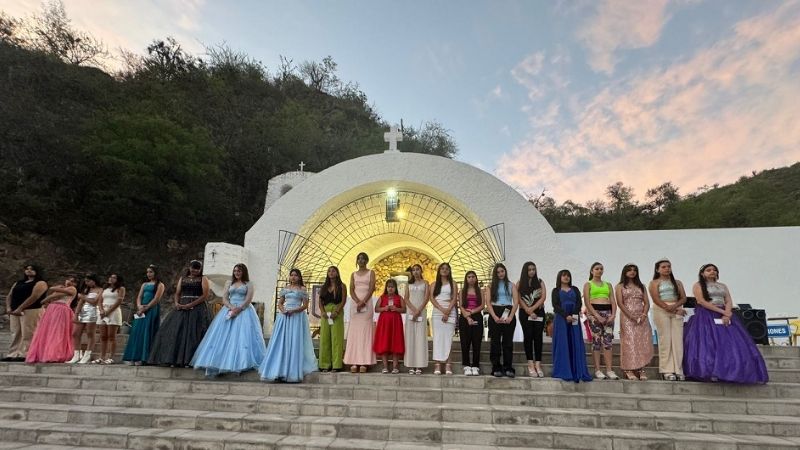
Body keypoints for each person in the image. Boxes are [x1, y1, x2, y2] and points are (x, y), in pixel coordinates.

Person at [683, 264, 768, 384]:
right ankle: (709, 371)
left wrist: (727, 314)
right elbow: (701, 301)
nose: (712, 272)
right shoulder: (698, 285)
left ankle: (733, 371)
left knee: (731, 342)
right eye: (708, 270)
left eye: (714, 270)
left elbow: (728, 300)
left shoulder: (722, 286)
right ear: (702, 273)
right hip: (706, 314)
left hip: (725, 314)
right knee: (709, 341)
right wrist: (722, 312)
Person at [192, 263, 266, 377]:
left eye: (239, 271)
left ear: (244, 272)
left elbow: (248, 299)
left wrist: (239, 309)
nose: (237, 273)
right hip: (229, 309)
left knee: (242, 337)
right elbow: (225, 298)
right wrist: (231, 307)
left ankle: (241, 363)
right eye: (235, 271)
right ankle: (218, 362)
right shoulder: (228, 283)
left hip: (244, 311)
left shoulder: (249, 284)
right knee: (221, 337)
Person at [148, 260, 211, 367]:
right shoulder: (183, 278)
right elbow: (177, 293)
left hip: (197, 308)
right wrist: (177, 303)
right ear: (189, 267)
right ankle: (175, 359)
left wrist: (191, 305)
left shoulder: (203, 278)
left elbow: (205, 295)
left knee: (194, 333)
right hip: (182, 305)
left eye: (197, 269)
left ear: (200, 269)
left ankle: (191, 359)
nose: (195, 270)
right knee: (176, 331)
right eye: (193, 268)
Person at [260, 268, 317, 382]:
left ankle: (291, 372)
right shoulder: (285, 288)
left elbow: (305, 305)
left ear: (299, 277)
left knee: (294, 341)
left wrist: (294, 310)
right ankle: (278, 371)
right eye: (291, 275)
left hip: (296, 317)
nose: (293, 277)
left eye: (295, 275)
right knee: (281, 342)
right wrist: (283, 310)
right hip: (284, 316)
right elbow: (280, 303)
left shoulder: (302, 289)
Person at [648, 259, 687, 381]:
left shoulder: (677, 282)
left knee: (677, 341)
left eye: (669, 266)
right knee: (665, 340)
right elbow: (656, 299)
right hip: (661, 310)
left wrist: (675, 307)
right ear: (657, 269)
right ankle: (667, 370)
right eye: (664, 267)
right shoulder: (654, 282)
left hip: (677, 309)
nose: (667, 269)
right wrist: (669, 308)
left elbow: (683, 298)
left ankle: (678, 369)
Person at [551, 269, 592, 382]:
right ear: (559, 277)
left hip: (574, 318)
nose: (566, 277)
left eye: (568, 275)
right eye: (564, 275)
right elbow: (555, 305)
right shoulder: (555, 290)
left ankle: (577, 369)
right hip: (561, 318)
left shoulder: (575, 289)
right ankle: (564, 370)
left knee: (575, 341)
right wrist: (566, 316)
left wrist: (573, 314)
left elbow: (579, 303)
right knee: (563, 343)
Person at [615, 264, 654, 381]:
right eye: (629, 270)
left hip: (641, 317)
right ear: (624, 272)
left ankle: (641, 369)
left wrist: (644, 315)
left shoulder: (641, 286)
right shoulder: (620, 286)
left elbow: (646, 302)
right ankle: (628, 369)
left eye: (634, 270)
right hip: (627, 317)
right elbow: (620, 303)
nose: (632, 272)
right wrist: (631, 316)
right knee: (629, 342)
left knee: (641, 342)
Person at [26, 276, 77, 363]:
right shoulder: (62, 288)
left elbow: (54, 292)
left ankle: (55, 353)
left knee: (57, 331)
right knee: (47, 331)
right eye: (68, 280)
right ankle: (44, 353)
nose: (69, 282)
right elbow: (53, 294)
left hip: (61, 310)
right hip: (52, 309)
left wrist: (49, 297)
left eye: (72, 281)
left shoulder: (72, 289)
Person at [3, 264, 48, 362]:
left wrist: (21, 308)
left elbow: (34, 296)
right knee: (15, 332)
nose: (29, 270)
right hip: (15, 311)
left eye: (32, 269)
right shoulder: (18, 282)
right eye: (27, 269)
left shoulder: (40, 283)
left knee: (28, 332)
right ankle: (13, 353)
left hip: (31, 310)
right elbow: (9, 296)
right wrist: (9, 307)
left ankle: (25, 353)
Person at [122, 265, 164, 366]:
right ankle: (134, 356)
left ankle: (144, 358)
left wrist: (146, 308)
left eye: (151, 272)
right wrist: (139, 306)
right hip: (141, 310)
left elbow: (156, 299)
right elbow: (139, 297)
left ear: (156, 273)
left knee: (147, 331)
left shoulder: (160, 285)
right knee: (136, 331)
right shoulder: (144, 284)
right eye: (147, 272)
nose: (148, 274)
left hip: (151, 310)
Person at [583, 262, 619, 380]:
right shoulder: (588, 284)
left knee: (608, 342)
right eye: (597, 269)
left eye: (601, 269)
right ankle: (597, 370)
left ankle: (609, 370)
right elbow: (587, 302)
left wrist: (613, 315)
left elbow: (613, 301)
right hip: (594, 313)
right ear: (592, 271)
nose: (599, 271)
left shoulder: (608, 284)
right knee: (597, 341)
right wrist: (596, 316)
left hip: (608, 313)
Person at [343, 252, 376, 373]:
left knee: (365, 333)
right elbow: (351, 289)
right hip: (355, 304)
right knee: (355, 333)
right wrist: (357, 301)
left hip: (367, 303)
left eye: (363, 259)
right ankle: (354, 361)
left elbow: (372, 288)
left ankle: (364, 362)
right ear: (356, 261)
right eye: (359, 259)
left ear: (366, 261)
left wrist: (364, 301)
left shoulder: (371, 273)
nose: (361, 260)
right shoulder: (353, 274)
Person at [486, 263, 519, 378]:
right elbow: (488, 303)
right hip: (495, 312)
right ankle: (496, 367)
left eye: (502, 271)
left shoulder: (511, 285)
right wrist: (494, 317)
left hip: (508, 311)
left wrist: (510, 316)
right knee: (495, 342)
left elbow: (516, 302)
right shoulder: (490, 286)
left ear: (505, 271)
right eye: (498, 272)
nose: (500, 274)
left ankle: (508, 367)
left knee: (508, 342)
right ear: (495, 274)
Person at [517, 262, 547, 378]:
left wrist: (532, 309)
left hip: (539, 312)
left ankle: (538, 364)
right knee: (528, 337)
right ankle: (530, 364)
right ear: (525, 271)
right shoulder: (520, 283)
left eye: (533, 269)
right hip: (525, 313)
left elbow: (543, 297)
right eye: (529, 270)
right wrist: (527, 310)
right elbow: (518, 297)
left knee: (538, 337)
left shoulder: (540, 281)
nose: (532, 272)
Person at [430, 262, 458, 375]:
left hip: (450, 311)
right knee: (437, 338)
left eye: (447, 268)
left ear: (449, 271)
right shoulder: (434, 284)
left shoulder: (453, 283)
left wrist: (448, 310)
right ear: (439, 271)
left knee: (448, 339)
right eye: (442, 268)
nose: (444, 270)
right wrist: (442, 310)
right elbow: (432, 299)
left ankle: (448, 364)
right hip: (437, 312)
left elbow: (454, 298)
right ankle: (437, 364)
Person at [68, 273, 103, 364]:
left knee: (90, 334)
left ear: (94, 280)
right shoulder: (86, 289)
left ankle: (87, 355)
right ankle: (77, 354)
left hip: (92, 312)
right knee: (75, 333)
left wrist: (83, 297)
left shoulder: (100, 290)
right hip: (82, 311)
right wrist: (76, 314)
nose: (87, 283)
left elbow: (94, 302)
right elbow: (81, 302)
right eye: (86, 281)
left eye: (88, 281)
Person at [317, 266, 346, 373]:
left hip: (336, 311)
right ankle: (325, 364)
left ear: (337, 273)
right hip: (326, 313)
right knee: (325, 338)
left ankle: (336, 365)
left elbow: (343, 300)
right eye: (329, 271)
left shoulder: (342, 286)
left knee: (336, 338)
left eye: (333, 271)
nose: (331, 272)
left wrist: (337, 312)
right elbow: (320, 302)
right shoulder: (324, 287)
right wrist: (323, 312)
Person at [373, 279, 406, 374]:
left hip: (396, 323)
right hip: (384, 323)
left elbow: (404, 310)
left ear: (395, 288)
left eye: (392, 287)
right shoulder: (382, 297)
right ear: (386, 288)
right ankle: (385, 366)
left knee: (395, 342)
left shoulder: (399, 298)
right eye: (389, 287)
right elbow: (376, 309)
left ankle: (395, 366)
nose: (390, 288)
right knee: (384, 342)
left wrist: (396, 309)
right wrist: (384, 308)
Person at [94, 273, 125, 364]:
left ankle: (111, 357)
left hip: (113, 312)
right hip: (103, 312)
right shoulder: (104, 288)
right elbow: (100, 301)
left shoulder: (121, 289)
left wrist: (108, 312)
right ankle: (102, 357)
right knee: (103, 336)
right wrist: (101, 310)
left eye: (114, 277)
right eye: (111, 277)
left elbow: (119, 301)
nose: (111, 279)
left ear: (118, 280)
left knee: (111, 336)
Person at [404, 264, 429, 375]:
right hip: (410, 312)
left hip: (421, 312)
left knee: (420, 337)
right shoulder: (408, 284)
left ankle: (419, 365)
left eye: (417, 269)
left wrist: (418, 310)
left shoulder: (426, 283)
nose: (415, 272)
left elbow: (426, 298)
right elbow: (406, 298)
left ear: (421, 271)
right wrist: (414, 310)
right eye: (413, 270)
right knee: (410, 337)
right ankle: (411, 364)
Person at [459, 271, 483, 376]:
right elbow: (461, 306)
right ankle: (467, 365)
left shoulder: (480, 291)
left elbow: (482, 305)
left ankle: (476, 365)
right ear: (466, 279)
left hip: (477, 315)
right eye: (469, 277)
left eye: (473, 276)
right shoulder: (462, 291)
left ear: (476, 278)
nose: (471, 278)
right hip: (464, 317)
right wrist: (468, 317)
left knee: (476, 342)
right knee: (465, 342)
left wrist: (472, 312)